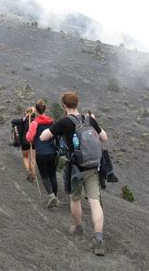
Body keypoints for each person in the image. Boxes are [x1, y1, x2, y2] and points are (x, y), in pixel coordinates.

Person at [40, 91, 108, 256]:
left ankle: (78, 227)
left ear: (64, 106)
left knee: (75, 198)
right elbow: (104, 137)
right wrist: (95, 122)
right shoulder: (89, 119)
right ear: (77, 104)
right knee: (94, 202)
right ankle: (99, 239)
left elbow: (43, 137)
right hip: (93, 166)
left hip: (76, 168)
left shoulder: (64, 122)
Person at [26, 99, 59, 208]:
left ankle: (51, 196)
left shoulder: (35, 123)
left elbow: (29, 138)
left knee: (44, 176)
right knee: (52, 175)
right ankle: (56, 196)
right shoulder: (51, 122)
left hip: (41, 152)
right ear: (45, 109)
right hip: (52, 152)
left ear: (36, 110)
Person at [11, 107, 37, 182]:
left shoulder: (24, 120)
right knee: (33, 158)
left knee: (25, 157)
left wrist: (24, 117)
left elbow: (13, 121)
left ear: (27, 113)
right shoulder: (36, 120)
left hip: (25, 141)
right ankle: (33, 174)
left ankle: (28, 171)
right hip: (34, 141)